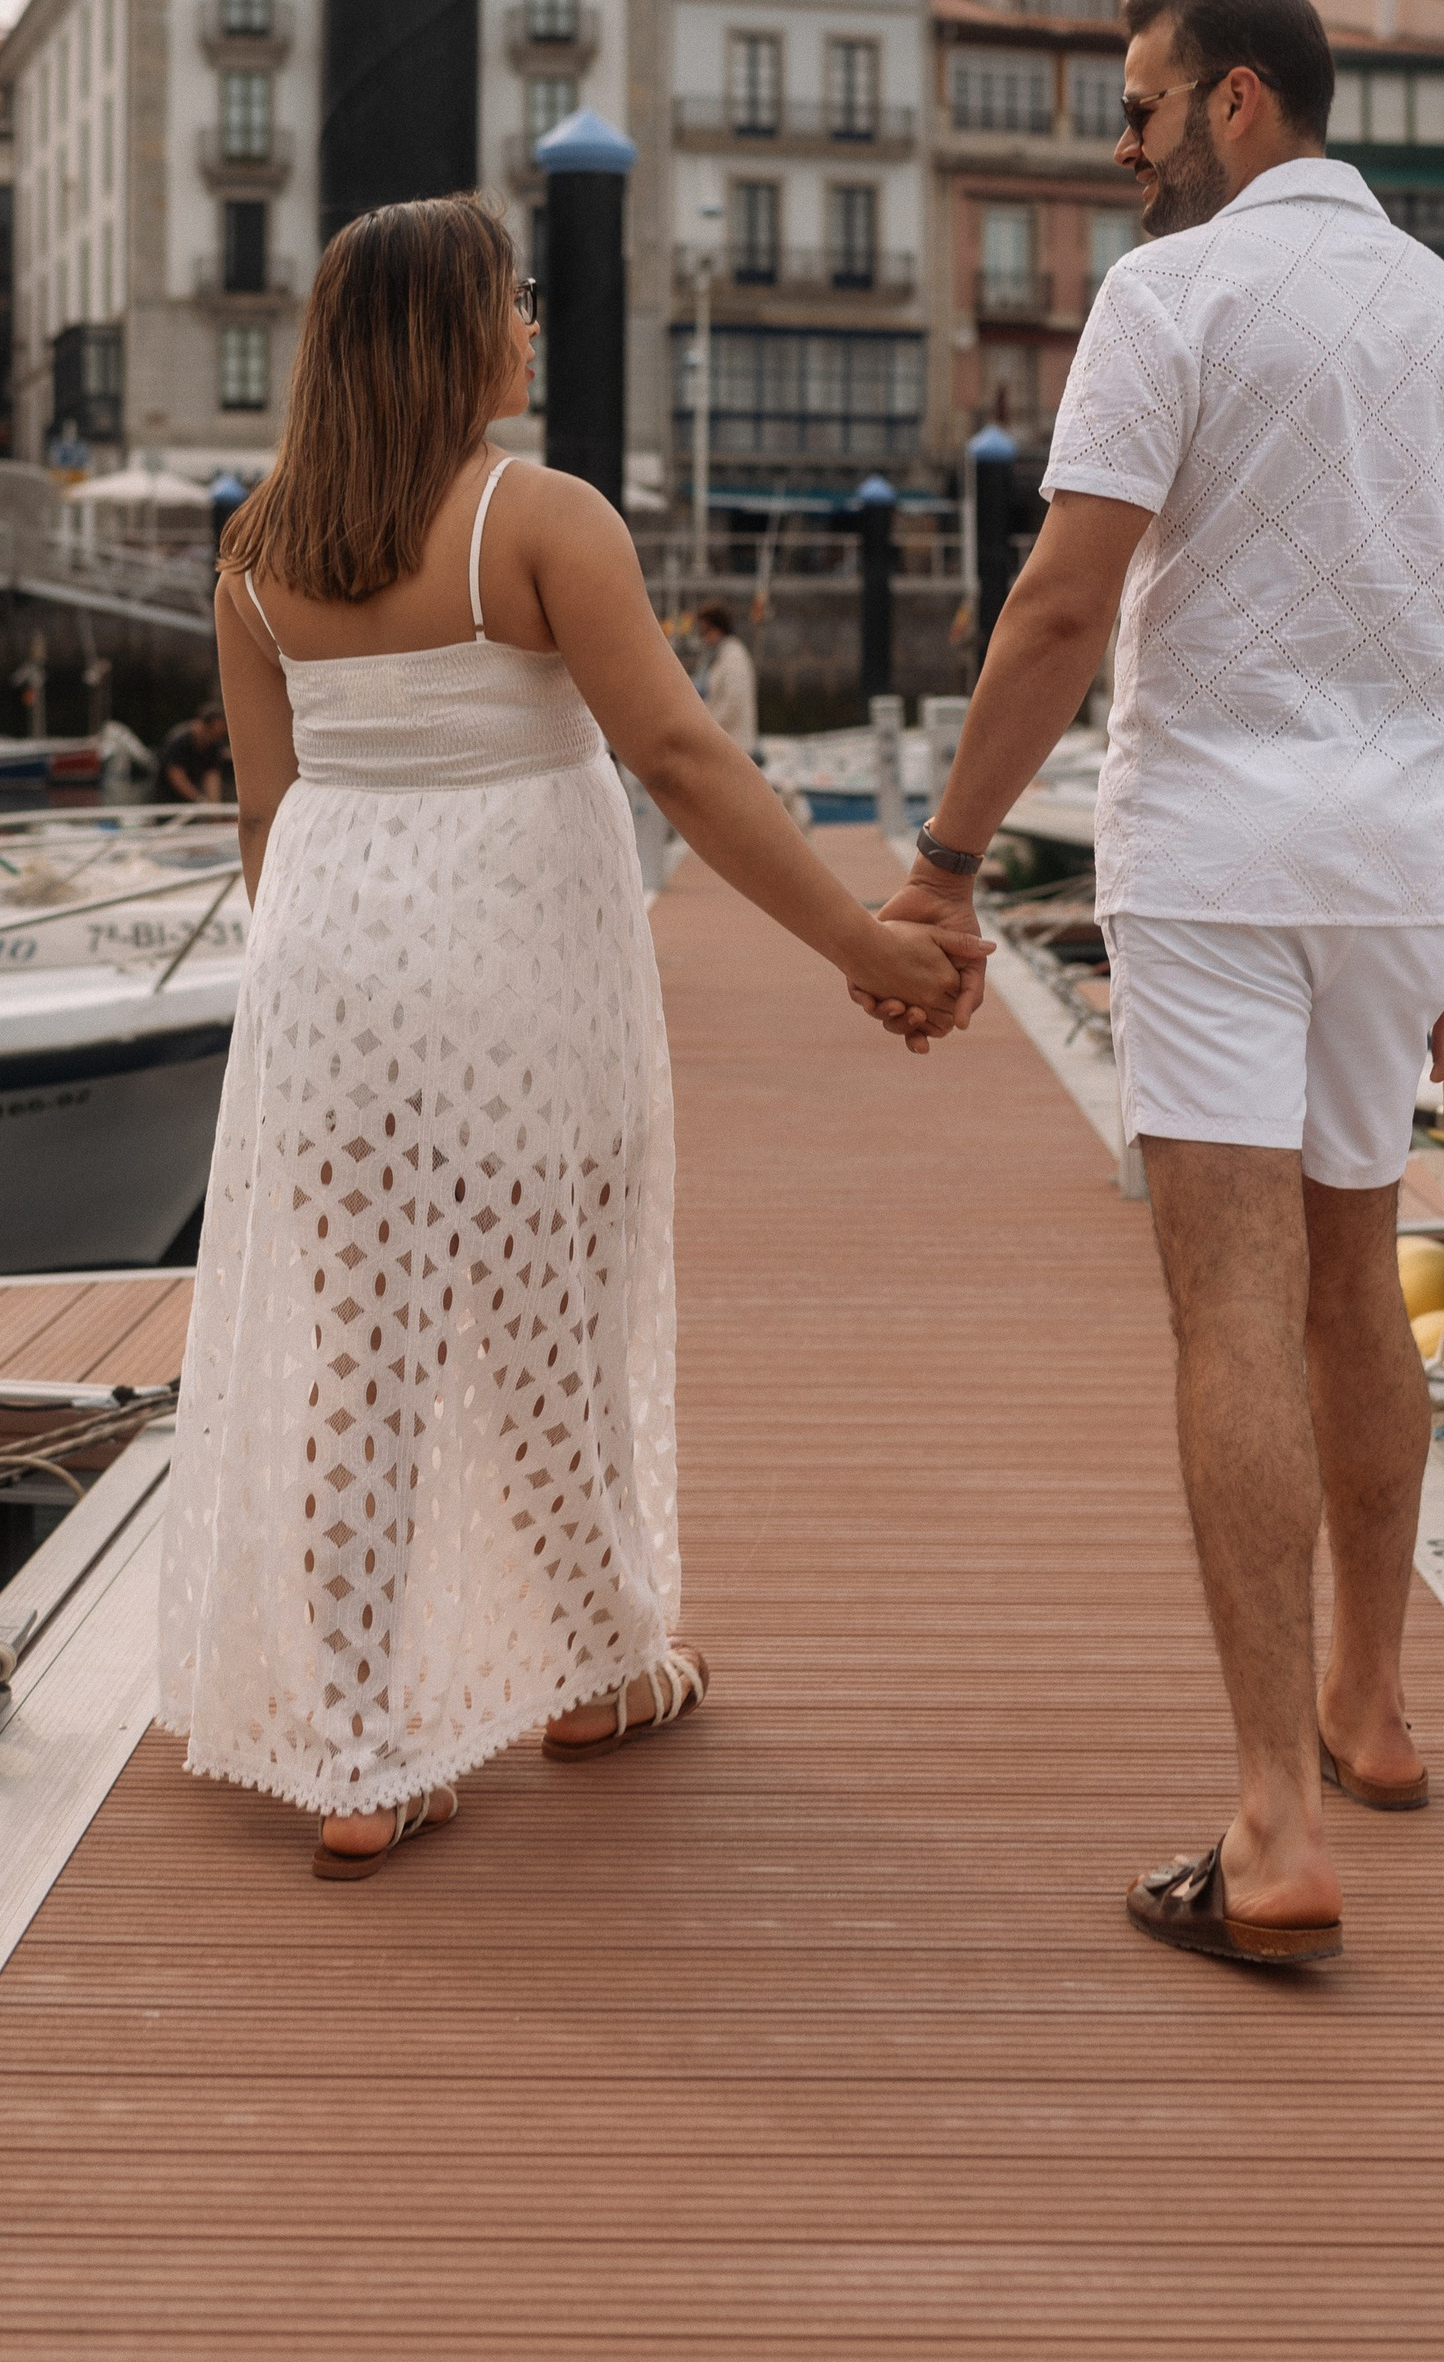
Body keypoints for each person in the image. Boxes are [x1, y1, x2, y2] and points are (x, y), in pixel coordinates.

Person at [868, 0, 1444, 1970]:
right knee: (1358, 1272)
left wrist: (941, 860)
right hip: (1394, 873)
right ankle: (1371, 1705)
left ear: (1239, 102)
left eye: (1140, 100)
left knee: (1231, 1304)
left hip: (1215, 859)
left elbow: (1063, 604)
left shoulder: (1167, 300)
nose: (1120, 137)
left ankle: (1268, 1821)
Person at [158, 195, 983, 1880]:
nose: (532, 322)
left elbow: (267, 814)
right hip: (518, 973)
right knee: (554, 1316)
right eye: (511, 300)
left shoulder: (255, 545)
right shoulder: (538, 519)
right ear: (451, 332)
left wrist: (334, 978)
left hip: (335, 972)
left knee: (369, 1351)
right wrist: (863, 943)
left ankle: (369, 1754)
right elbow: (680, 757)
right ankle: (601, 1666)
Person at [693, 601, 759, 754]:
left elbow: (733, 703)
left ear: (718, 628)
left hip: (736, 746)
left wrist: (704, 728)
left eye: (705, 631)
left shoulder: (734, 656)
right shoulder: (714, 655)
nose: (703, 637)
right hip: (722, 742)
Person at [156, 702, 232, 807]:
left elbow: (212, 776)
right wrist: (200, 800)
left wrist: (214, 807)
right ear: (202, 725)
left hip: (193, 800)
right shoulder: (179, 741)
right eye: (214, 731)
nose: (216, 736)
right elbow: (175, 776)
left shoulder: (215, 744)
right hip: (167, 799)